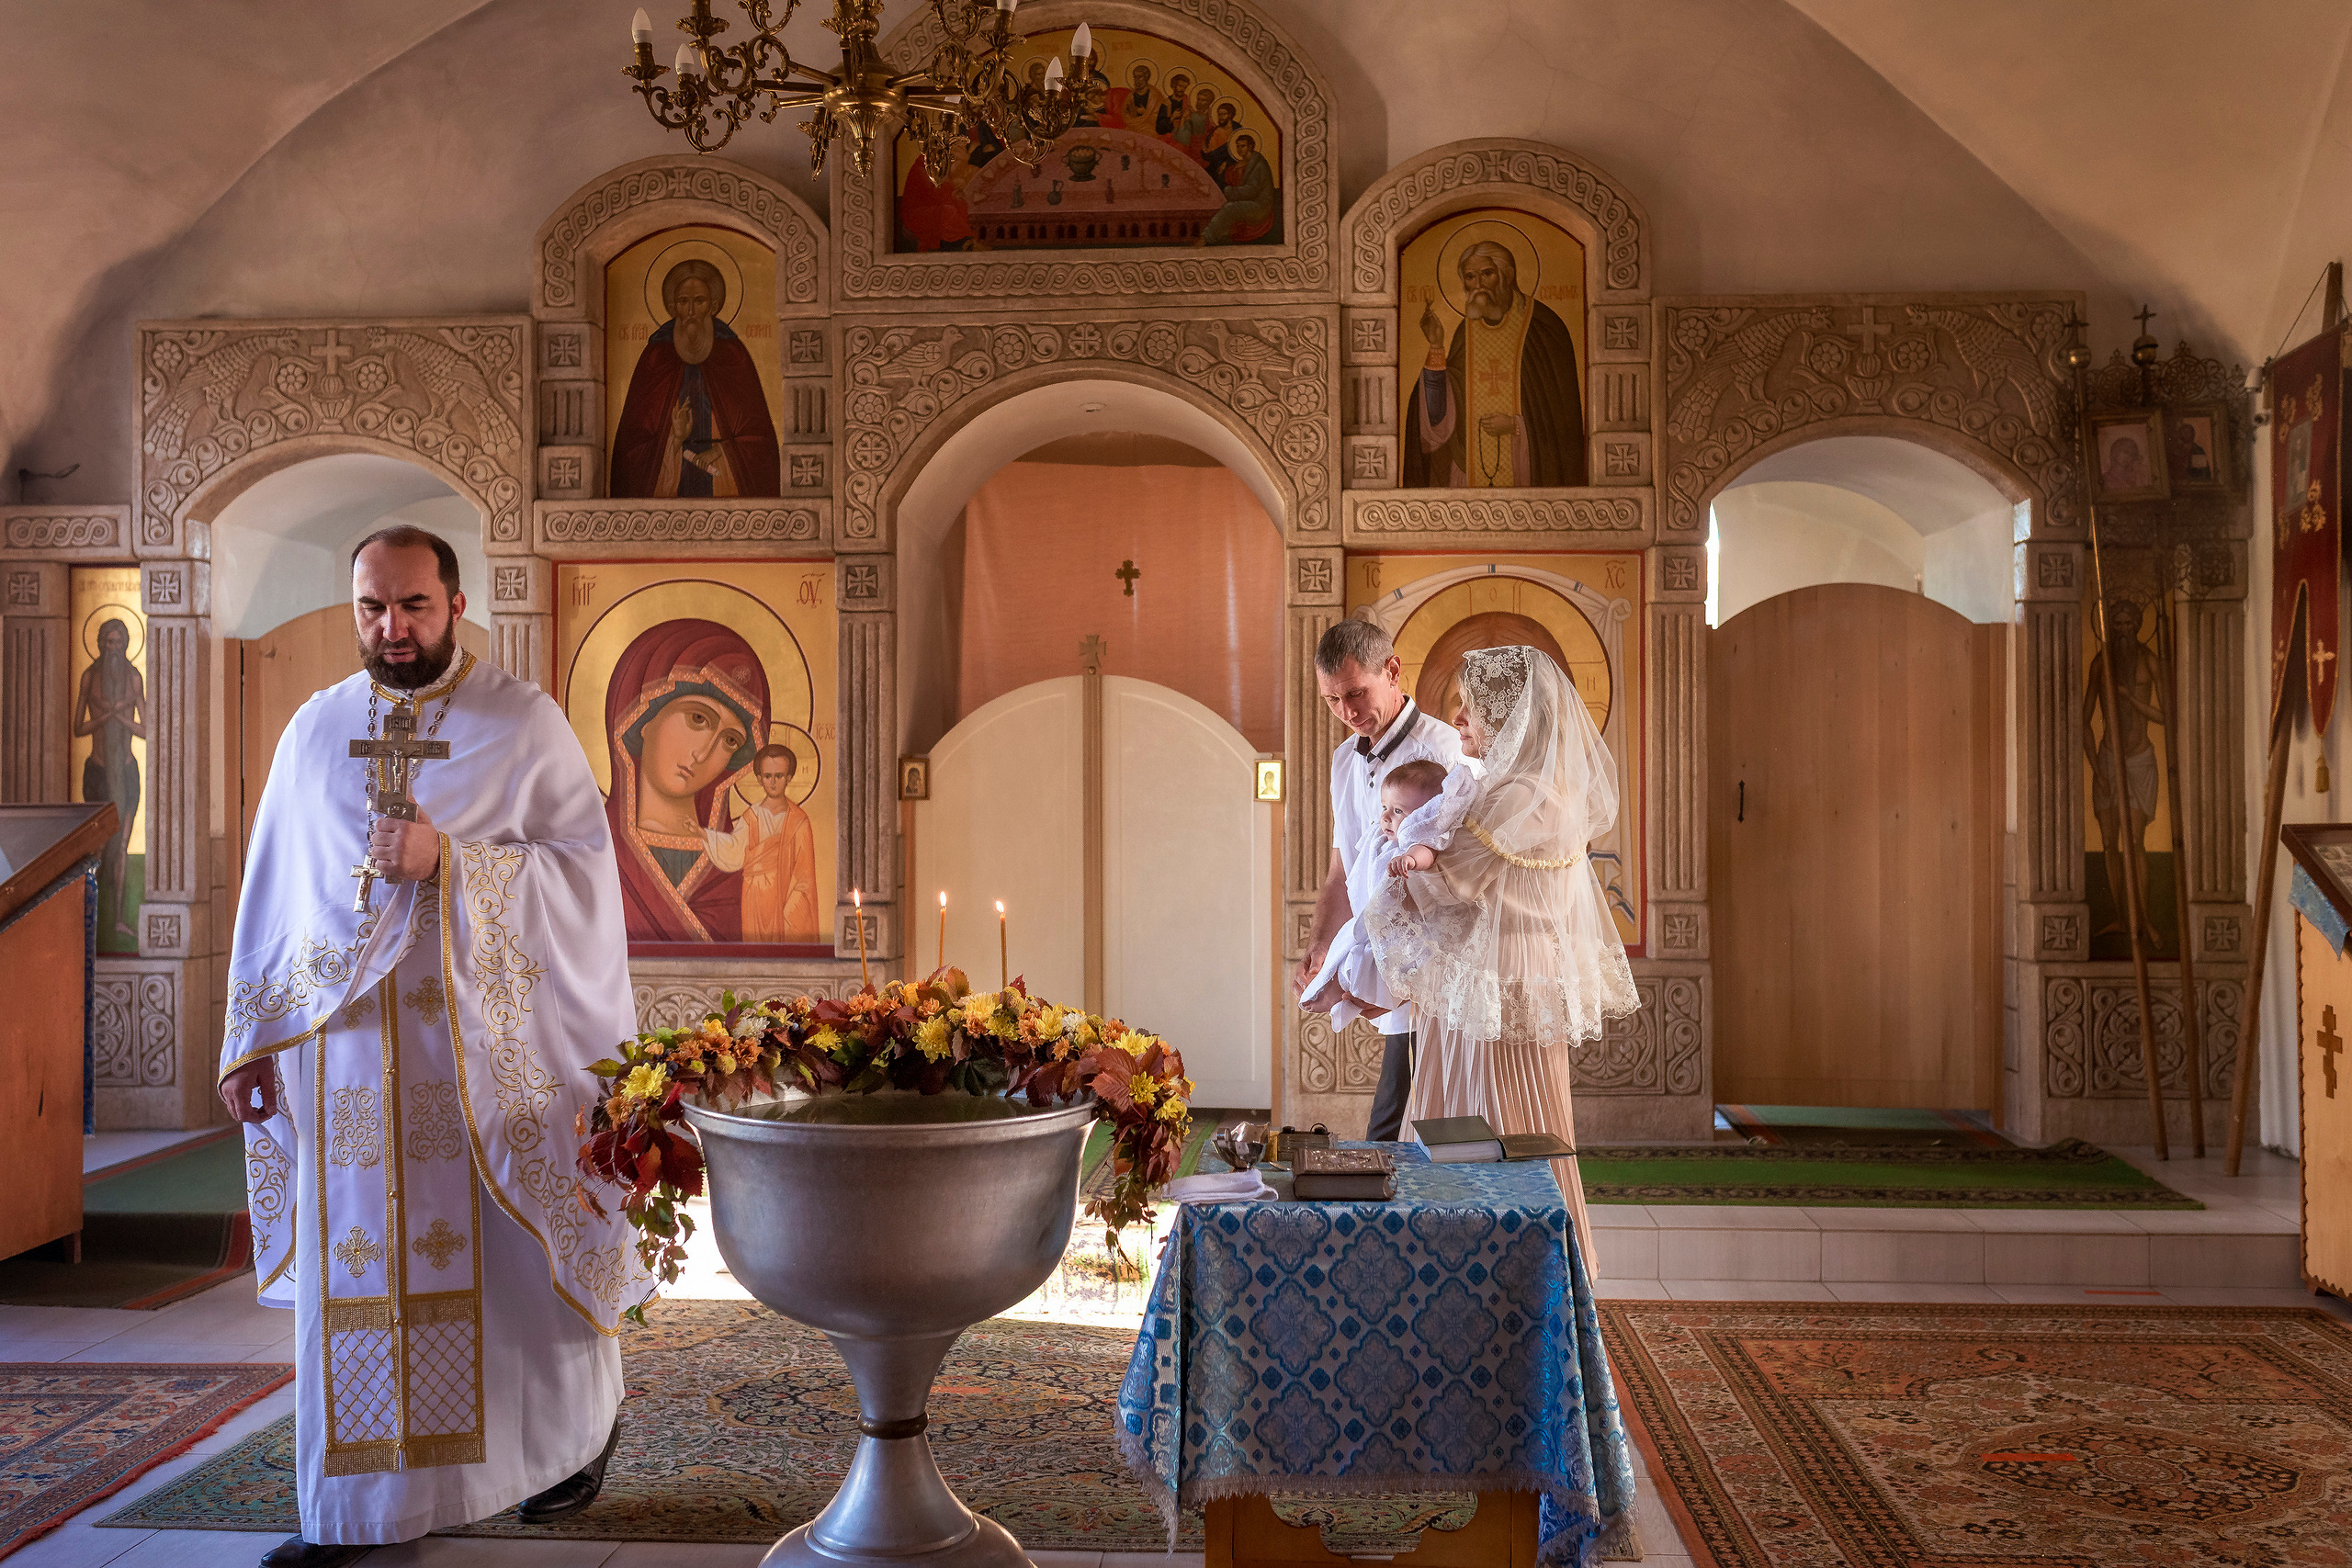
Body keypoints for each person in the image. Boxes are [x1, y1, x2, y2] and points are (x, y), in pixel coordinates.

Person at [217, 525, 650, 1568]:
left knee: (518, 1257)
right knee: (356, 1265)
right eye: (372, 607)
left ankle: (572, 1442)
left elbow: (587, 878)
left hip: (492, 1051)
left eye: (412, 605)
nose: (391, 628)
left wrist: (448, 861)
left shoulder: (522, 722)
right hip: (352, 1064)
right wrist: (249, 1040)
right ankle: (357, 1512)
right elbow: (274, 890)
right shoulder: (317, 730)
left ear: (454, 604)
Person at [1364, 645, 1639, 1251]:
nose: (1460, 716)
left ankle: (1479, 1264)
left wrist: (1396, 864)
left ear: (1511, 714)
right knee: (1513, 1114)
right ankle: (1512, 1264)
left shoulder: (1516, 794)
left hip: (1496, 980)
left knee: (1495, 1117)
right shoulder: (1540, 789)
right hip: (1507, 973)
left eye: (1474, 705)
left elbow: (1450, 884)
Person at [1294, 619, 1461, 1142]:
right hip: (1378, 957)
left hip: (1434, 971)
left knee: (1413, 1127)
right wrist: (1322, 943)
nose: (1346, 712)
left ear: (1392, 671)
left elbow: (1460, 873)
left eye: (1356, 694)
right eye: (1331, 701)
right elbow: (1344, 865)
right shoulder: (1345, 760)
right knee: (1399, 1125)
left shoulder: (1447, 749)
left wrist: (1397, 975)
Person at [604, 619, 770, 944]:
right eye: (698, 718)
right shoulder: (590, 847)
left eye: (730, 741)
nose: (704, 753)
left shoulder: (734, 864)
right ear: (643, 717)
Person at [1404, 240, 1586, 487]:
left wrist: (1516, 425)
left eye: (1486, 274)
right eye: (1469, 277)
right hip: (1468, 470)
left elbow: (1562, 420)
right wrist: (1436, 347)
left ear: (1507, 275)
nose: (1477, 285)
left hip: (1528, 468)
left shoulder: (1544, 328)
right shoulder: (1465, 332)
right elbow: (1439, 414)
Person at [609, 258, 782, 498]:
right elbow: (633, 444)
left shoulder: (732, 353)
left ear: (713, 306)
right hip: (670, 478)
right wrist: (675, 439)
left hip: (724, 480)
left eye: (699, 301)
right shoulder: (656, 356)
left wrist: (721, 450)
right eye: (683, 302)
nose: (690, 312)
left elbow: (757, 436)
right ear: (672, 307)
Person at [1303, 758, 1449, 1021]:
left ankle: (1346, 994)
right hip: (1370, 919)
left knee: (1382, 966)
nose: (1384, 817)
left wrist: (1411, 860)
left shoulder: (1418, 841)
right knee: (1352, 954)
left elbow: (1427, 853)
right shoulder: (1381, 840)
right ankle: (1342, 992)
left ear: (1425, 815)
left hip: (1405, 929)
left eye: (1397, 811)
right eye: (1385, 807)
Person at [74, 615, 146, 941]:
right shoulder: (90, 677)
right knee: (101, 847)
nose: (111, 648)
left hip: (127, 770)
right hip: (99, 772)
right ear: (100, 644)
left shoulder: (133, 678)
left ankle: (117, 918)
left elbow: (147, 730)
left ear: (126, 644)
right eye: (106, 642)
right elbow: (78, 728)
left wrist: (121, 715)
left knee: (123, 847)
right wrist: (107, 714)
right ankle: (90, 920)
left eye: (117, 642)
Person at [702, 742, 820, 942]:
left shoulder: (799, 821)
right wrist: (703, 834)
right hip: (754, 897)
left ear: (789, 778)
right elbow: (734, 850)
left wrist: (792, 908)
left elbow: (804, 874)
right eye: (768, 776)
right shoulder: (752, 816)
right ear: (759, 779)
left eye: (779, 776)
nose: (773, 782)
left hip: (784, 897)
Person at [1200, 131, 1278, 246]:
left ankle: (1205, 238)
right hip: (1250, 201)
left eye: (1243, 146)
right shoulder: (1243, 163)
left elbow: (1251, 190)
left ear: (1250, 146)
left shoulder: (1258, 164)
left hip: (1260, 205)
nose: (1239, 149)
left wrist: (1228, 191)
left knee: (1229, 208)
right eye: (1237, 146)